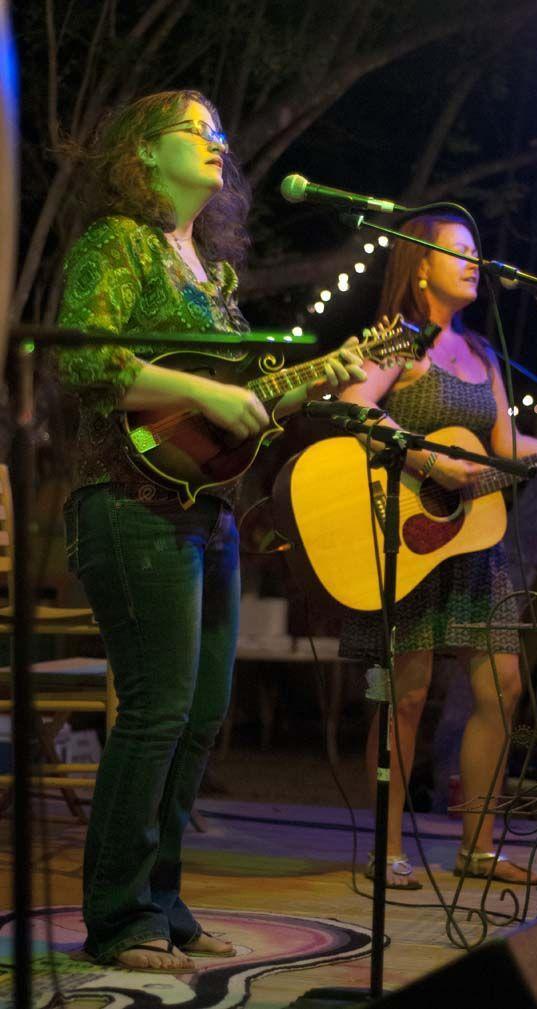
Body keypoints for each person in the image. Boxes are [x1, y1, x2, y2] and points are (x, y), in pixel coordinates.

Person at [56, 89, 365, 971]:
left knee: (198, 714)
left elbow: (236, 413)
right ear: (144, 153)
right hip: (128, 502)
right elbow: (87, 357)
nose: (217, 142)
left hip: (206, 508)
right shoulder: (116, 242)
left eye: (221, 132)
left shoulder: (215, 280)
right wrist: (204, 391)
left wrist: (315, 380)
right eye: (197, 130)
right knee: (154, 710)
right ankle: (117, 917)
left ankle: (162, 900)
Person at [337, 213, 537, 889]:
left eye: (476, 253)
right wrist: (430, 463)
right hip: (405, 537)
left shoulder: (483, 356)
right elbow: (355, 407)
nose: (475, 262)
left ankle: (478, 843)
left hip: (474, 542)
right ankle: (386, 850)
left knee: (504, 685)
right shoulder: (398, 343)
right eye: (460, 253)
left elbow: (504, 449)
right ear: (420, 266)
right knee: (403, 695)